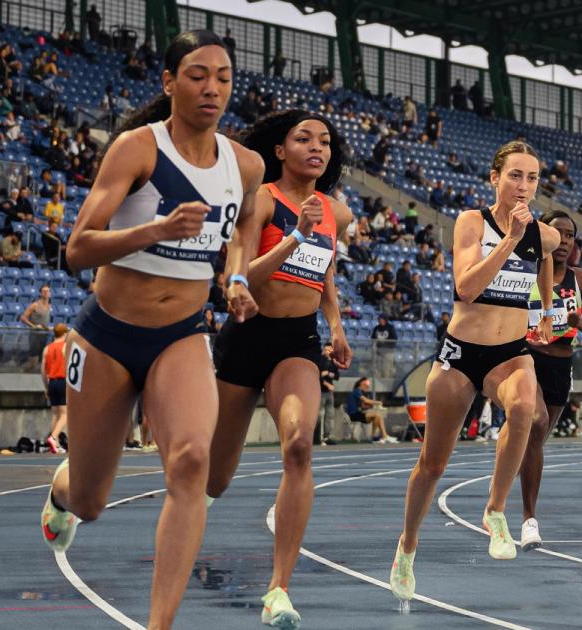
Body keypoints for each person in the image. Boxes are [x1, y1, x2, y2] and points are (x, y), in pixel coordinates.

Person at [38, 31, 262, 630]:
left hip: (183, 334)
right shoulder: (137, 149)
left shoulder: (246, 164)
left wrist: (236, 281)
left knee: (190, 462)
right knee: (91, 499)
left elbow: (239, 237)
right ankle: (61, 493)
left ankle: (160, 624)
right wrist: (153, 232)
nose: (211, 87)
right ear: (168, 82)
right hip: (106, 335)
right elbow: (77, 249)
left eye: (222, 76)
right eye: (196, 74)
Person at [389, 140, 559, 604]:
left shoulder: (544, 234)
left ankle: (495, 510)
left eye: (532, 178)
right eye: (515, 176)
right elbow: (465, 287)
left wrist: (544, 309)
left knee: (526, 407)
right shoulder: (471, 222)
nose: (524, 186)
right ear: (494, 179)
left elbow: (545, 257)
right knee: (432, 464)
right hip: (461, 352)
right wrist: (508, 240)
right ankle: (407, 545)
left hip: (510, 350)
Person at [205, 110, 354, 628]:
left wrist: (335, 323)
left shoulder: (336, 211)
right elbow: (240, 272)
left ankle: (278, 590)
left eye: (325, 142)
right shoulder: (263, 200)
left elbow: (326, 268)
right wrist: (294, 236)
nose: (317, 147)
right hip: (247, 338)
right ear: (280, 151)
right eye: (304, 138)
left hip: (299, 340)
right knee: (213, 480)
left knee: (298, 444)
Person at [517, 210, 582, 550]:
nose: (565, 240)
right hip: (525, 358)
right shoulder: (523, 272)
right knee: (537, 421)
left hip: (560, 366)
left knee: (535, 440)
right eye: (558, 233)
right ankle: (529, 519)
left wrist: (579, 323)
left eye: (570, 235)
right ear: (542, 234)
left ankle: (512, 465)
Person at [41, 323, 70, 453]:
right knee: (65, 414)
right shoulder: (66, 347)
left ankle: (55, 444)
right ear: (65, 333)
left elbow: (42, 371)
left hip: (52, 382)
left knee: (55, 414)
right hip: (63, 381)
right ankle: (53, 437)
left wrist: (46, 387)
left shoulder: (47, 348)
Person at [346, 377, 393, 442]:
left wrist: (369, 406)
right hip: (354, 415)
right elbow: (366, 400)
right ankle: (375, 436)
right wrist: (378, 402)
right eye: (366, 386)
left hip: (358, 414)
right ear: (362, 384)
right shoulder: (356, 391)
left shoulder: (359, 392)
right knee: (377, 414)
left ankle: (383, 436)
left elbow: (363, 406)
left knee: (378, 416)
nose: (367, 388)